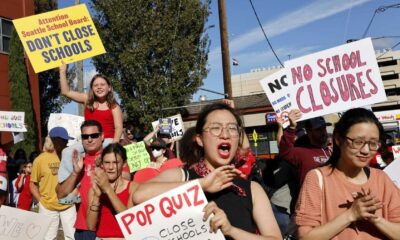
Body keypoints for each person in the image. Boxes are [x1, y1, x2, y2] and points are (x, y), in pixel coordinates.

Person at [133, 102, 282, 240]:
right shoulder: (181, 176)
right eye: (216, 128)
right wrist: (201, 185)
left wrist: (231, 231)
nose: (225, 134)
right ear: (199, 139)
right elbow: (139, 195)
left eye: (232, 128)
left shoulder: (252, 189)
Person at [295, 108, 400, 240]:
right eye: (358, 142)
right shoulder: (317, 178)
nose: (366, 150)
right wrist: (350, 215)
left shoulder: (382, 178)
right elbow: (305, 237)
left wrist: (376, 219)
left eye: (373, 143)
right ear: (338, 139)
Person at [58, 63, 123, 203]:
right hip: (88, 139)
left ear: (109, 87)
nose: (99, 87)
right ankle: (71, 186)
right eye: (95, 85)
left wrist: (114, 146)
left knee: (100, 160)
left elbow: (118, 127)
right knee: (67, 152)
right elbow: (66, 92)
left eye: (102, 84)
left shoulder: (114, 106)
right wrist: (62, 72)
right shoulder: (87, 100)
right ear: (92, 89)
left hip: (108, 140)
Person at [56, 120, 104, 240]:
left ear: (102, 136)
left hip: (105, 228)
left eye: (94, 135)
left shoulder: (112, 159)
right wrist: (75, 173)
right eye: (85, 136)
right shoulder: (78, 161)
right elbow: (61, 194)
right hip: (83, 228)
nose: (89, 139)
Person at [30, 127, 76, 239]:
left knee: (72, 237)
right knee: (47, 238)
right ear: (55, 141)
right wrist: (41, 201)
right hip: (47, 206)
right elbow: (32, 184)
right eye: (64, 140)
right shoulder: (40, 160)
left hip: (68, 204)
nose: (67, 142)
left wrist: (74, 197)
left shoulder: (70, 156)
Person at [86, 143, 138, 239]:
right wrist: (97, 196)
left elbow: (129, 221)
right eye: (107, 162)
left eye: (115, 162)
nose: (110, 167)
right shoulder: (93, 190)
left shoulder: (133, 187)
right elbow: (90, 225)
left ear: (124, 163)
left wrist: (108, 190)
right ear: (102, 164)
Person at [279, 109, 331, 185]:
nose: (323, 132)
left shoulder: (331, 151)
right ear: (309, 132)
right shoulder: (301, 152)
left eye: (324, 128)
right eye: (318, 129)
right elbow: (285, 152)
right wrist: (292, 127)